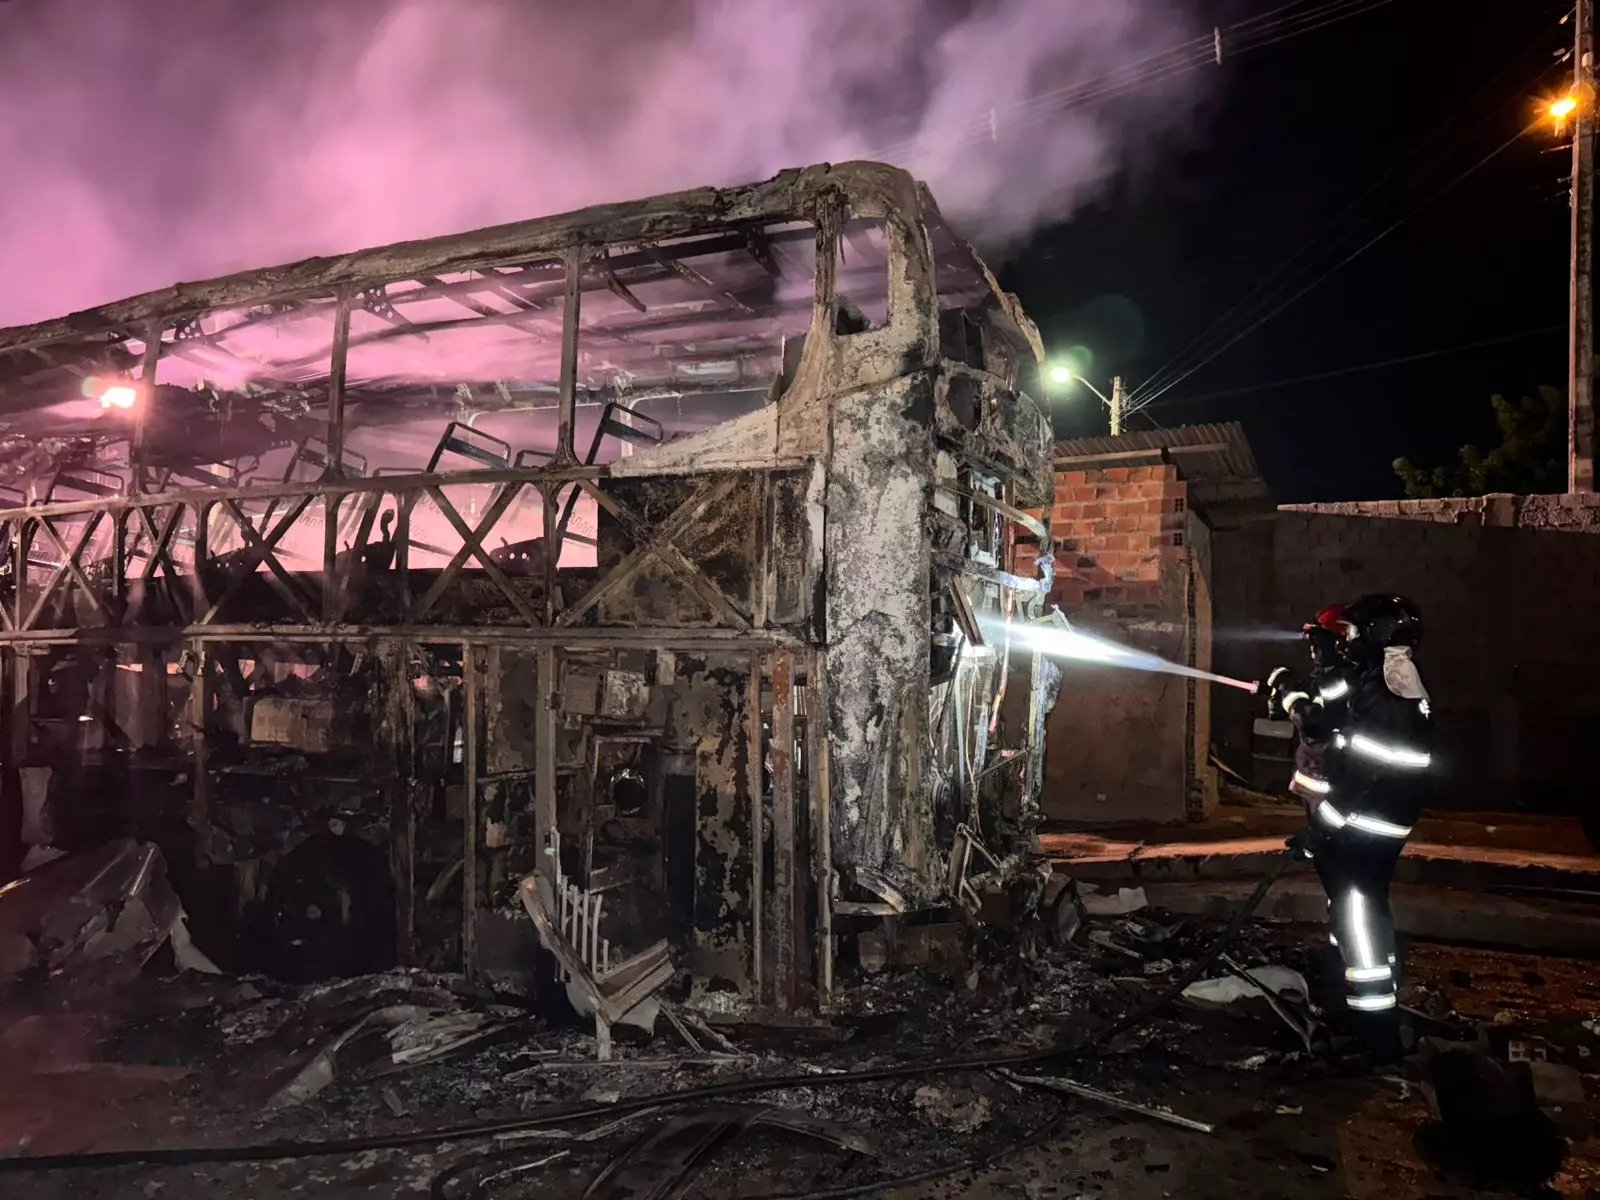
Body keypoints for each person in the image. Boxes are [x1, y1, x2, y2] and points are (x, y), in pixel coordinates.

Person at [1269, 594, 1432, 1061]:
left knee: (1358, 917)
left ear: (1379, 635)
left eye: (1355, 633)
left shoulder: (1387, 692)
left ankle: (1375, 1034)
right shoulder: (1388, 681)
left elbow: (1362, 776)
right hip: (1376, 821)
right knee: (1364, 913)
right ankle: (1372, 1004)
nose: (1348, 641)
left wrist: (1321, 828)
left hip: (1367, 823)